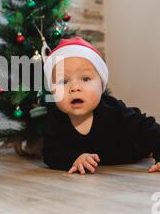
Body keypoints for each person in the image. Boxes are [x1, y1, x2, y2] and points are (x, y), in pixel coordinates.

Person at [42, 37, 160, 175]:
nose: (74, 88)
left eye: (85, 79)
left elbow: (149, 128)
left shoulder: (114, 110)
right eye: (63, 81)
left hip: (133, 151)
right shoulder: (55, 118)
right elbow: (50, 152)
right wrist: (73, 159)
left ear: (101, 85)